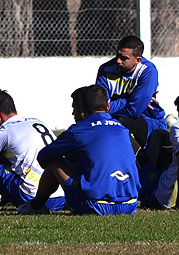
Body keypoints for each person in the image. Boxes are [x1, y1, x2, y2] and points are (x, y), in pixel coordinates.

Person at [21, 85, 139, 215]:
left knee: (55, 163)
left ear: (82, 110)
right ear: (108, 107)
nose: (73, 114)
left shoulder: (79, 130)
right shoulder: (122, 129)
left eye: (74, 109)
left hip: (95, 205)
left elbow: (44, 157)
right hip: (130, 204)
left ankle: (35, 206)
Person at [95, 35, 167, 148]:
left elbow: (134, 111)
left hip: (149, 121)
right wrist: (131, 99)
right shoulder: (105, 69)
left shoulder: (147, 71)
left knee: (119, 122)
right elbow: (98, 107)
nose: (118, 61)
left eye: (124, 58)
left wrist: (108, 107)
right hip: (114, 118)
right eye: (117, 55)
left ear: (137, 60)